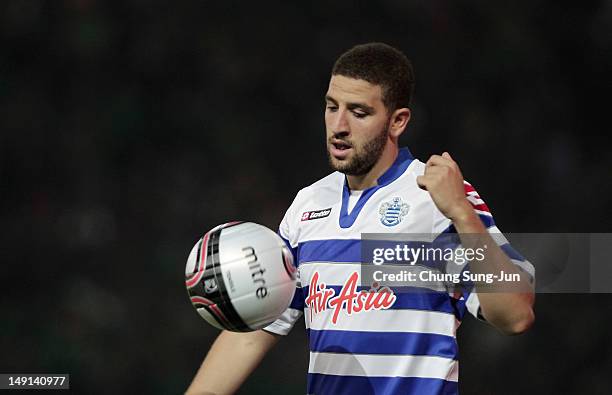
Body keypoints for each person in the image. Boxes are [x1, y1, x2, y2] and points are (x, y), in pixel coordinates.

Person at [186, 42, 535, 395]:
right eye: (331, 107)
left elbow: (515, 315)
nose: (339, 125)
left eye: (359, 112)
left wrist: (461, 213)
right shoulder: (306, 207)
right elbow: (253, 334)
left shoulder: (436, 198)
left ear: (397, 121)